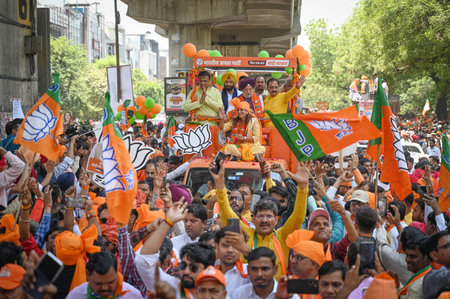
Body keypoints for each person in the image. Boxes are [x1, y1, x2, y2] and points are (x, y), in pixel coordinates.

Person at [210, 159, 309, 280]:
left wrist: (303, 188)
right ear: (254, 219)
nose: (265, 220)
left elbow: (298, 217)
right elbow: (226, 214)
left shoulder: (283, 236)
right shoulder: (245, 233)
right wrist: (220, 185)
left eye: (269, 216)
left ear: (276, 220)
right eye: (261, 216)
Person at [67, 251, 143, 298]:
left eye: (111, 282)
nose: (105, 288)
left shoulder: (132, 295)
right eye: (99, 283)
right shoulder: (76, 295)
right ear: (88, 275)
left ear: (117, 274)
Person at [233, 247, 299, 299]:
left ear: (275, 269)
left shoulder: (289, 295)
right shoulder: (239, 294)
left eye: (265, 269)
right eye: (254, 269)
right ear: (248, 270)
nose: (259, 274)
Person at [214, 228, 248, 297]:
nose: (230, 250)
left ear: (242, 248)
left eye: (235, 246)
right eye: (225, 246)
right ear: (217, 247)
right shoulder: (209, 270)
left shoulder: (249, 273)